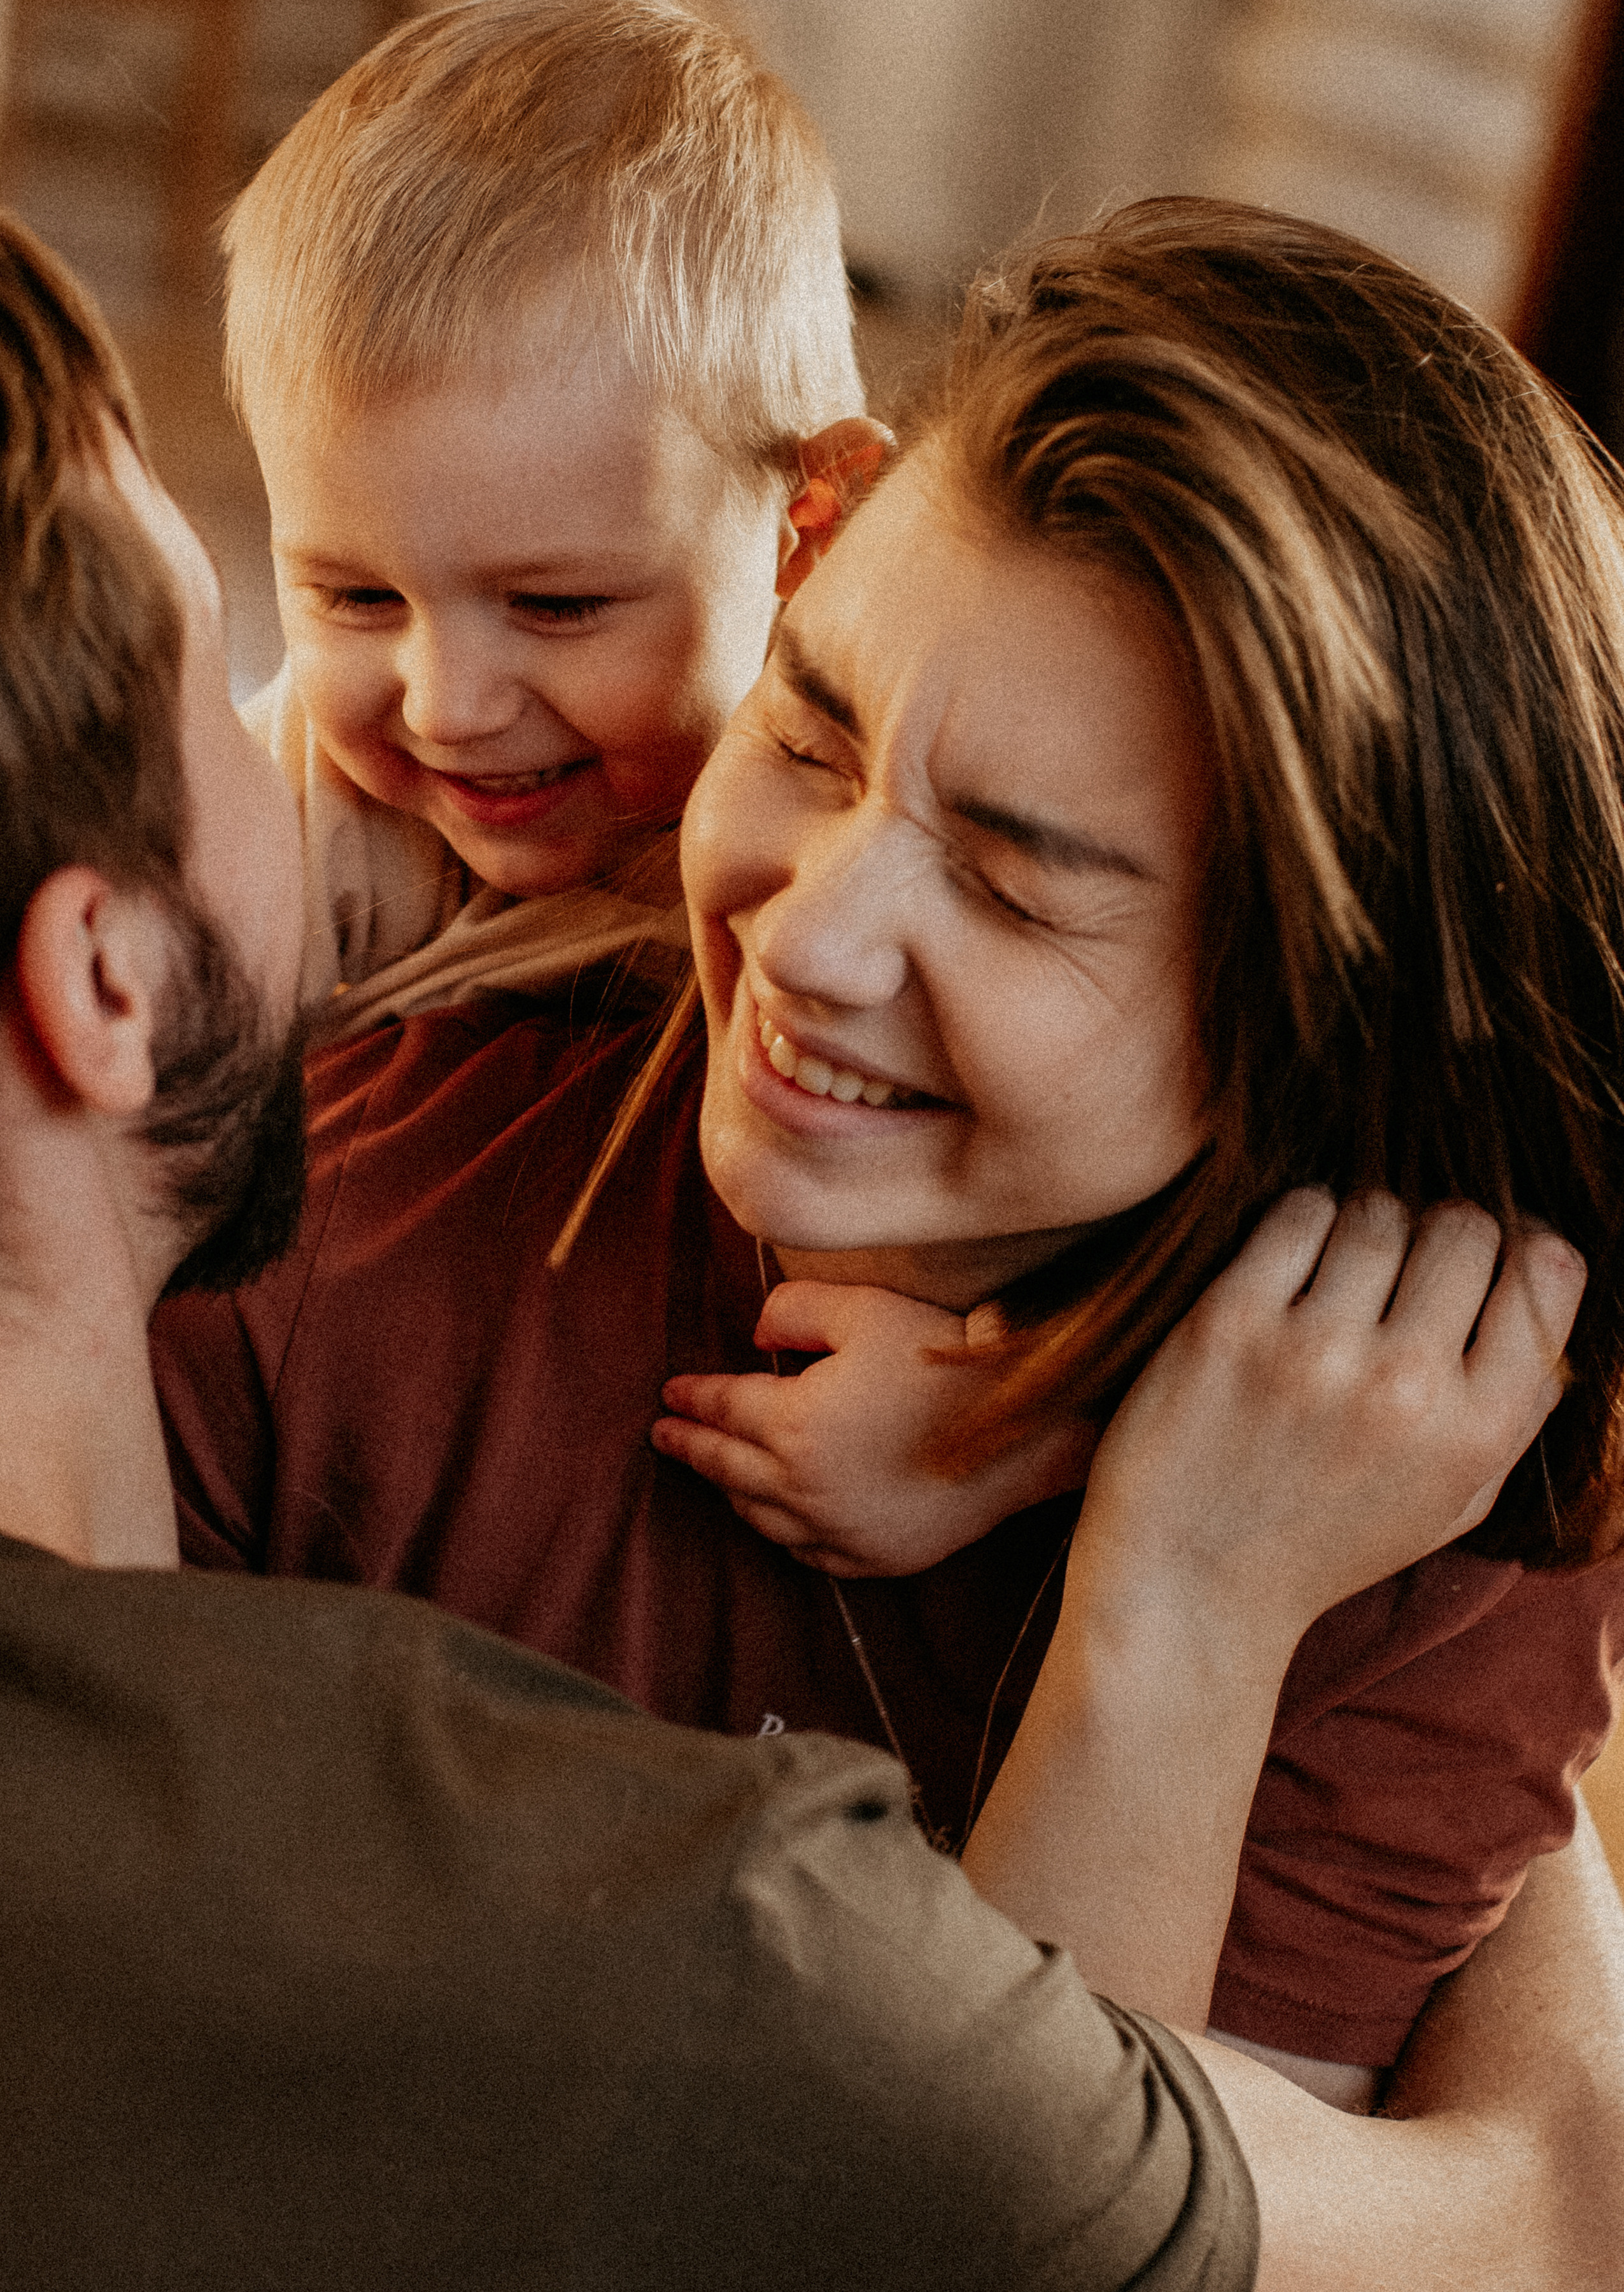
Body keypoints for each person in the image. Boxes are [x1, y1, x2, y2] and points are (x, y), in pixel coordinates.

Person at [8, 201, 1609, 2292]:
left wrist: (1183, 1603)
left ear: (1339, 1015)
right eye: (811, 736)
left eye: (1021, 892)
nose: (805, 933)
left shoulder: (1406, 1497)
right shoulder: (362, 1211)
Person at [220, 0, 887, 1041]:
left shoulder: (857, 835)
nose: (446, 709)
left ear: (811, 525)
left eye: (556, 604)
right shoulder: (309, 787)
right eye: (357, 596)